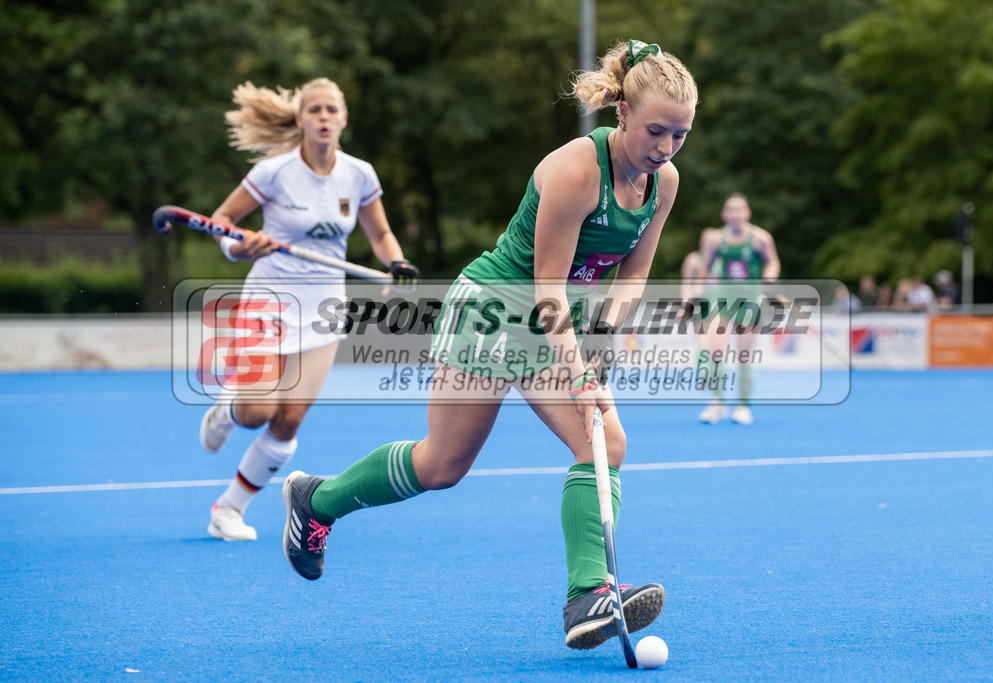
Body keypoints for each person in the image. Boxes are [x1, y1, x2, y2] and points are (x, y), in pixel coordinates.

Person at [279, 40, 698, 652]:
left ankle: (588, 593)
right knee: (441, 466)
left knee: (606, 440)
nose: (664, 148)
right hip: (494, 308)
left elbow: (633, 274)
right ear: (623, 114)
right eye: (655, 131)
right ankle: (315, 500)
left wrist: (603, 338)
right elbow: (545, 284)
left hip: (556, 319)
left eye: (680, 136)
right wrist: (580, 370)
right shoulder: (577, 171)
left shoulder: (664, 182)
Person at [199, 78, 420, 541]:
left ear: (343, 119)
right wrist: (239, 247)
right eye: (314, 109)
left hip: (323, 310)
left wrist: (395, 261)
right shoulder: (274, 172)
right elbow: (222, 222)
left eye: (331, 110)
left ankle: (230, 510)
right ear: (300, 119)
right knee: (259, 410)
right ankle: (227, 412)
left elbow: (379, 235)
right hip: (269, 301)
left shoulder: (358, 174)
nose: (323, 117)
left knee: (289, 419)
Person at [695, 193, 780, 426]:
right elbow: (706, 266)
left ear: (747, 213)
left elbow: (772, 261)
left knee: (744, 355)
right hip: (722, 301)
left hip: (750, 302)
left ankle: (742, 405)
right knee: (715, 352)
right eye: (730, 210)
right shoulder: (715, 239)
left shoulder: (760, 239)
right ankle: (717, 403)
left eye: (739, 210)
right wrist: (699, 294)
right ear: (724, 214)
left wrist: (768, 279)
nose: (735, 215)